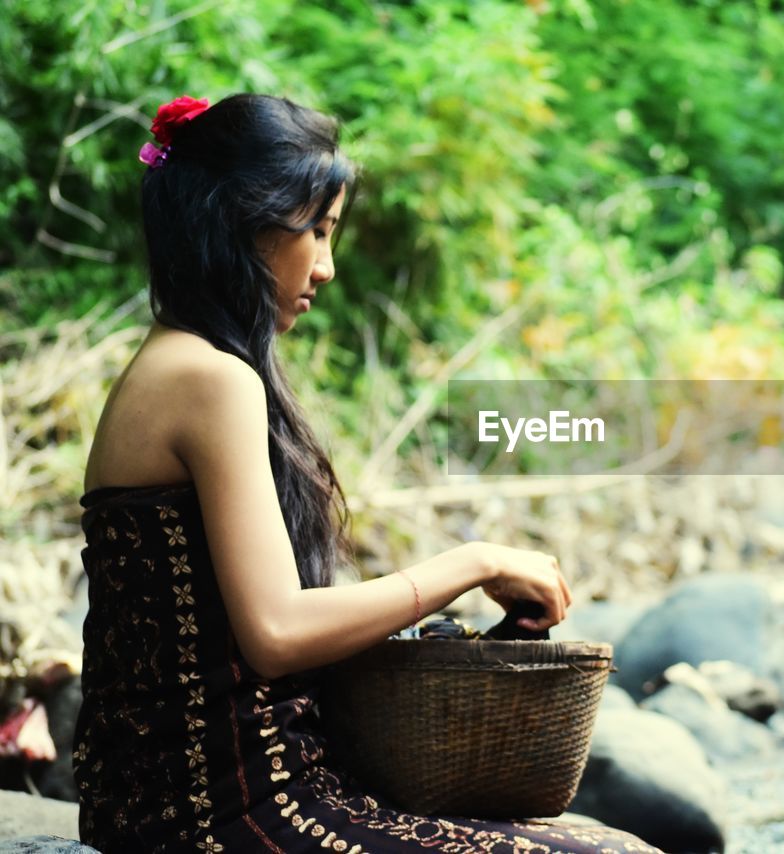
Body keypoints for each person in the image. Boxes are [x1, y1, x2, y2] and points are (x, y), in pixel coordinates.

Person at [74, 93, 661, 853]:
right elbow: (277, 633)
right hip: (224, 816)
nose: (327, 264)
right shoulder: (207, 379)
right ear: (239, 223)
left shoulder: (184, 364)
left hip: (195, 798)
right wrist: (474, 562)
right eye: (316, 230)